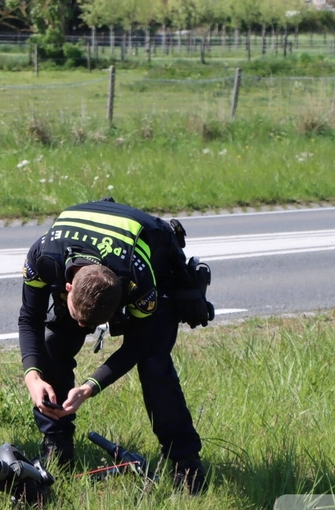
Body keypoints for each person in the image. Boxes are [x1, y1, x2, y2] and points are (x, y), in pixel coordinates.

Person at [18, 198, 213, 493]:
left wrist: (90, 387)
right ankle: (57, 445)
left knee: (154, 362)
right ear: (67, 287)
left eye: (93, 324)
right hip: (90, 248)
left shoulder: (139, 281)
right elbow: (29, 318)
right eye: (80, 319)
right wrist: (32, 376)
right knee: (54, 344)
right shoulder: (42, 256)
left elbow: (138, 344)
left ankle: (186, 463)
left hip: (156, 257)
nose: (84, 329)